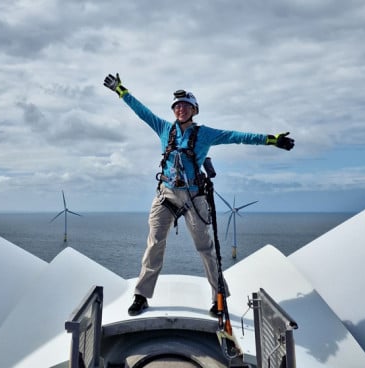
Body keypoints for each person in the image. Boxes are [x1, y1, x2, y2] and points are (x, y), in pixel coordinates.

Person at [103, 73, 295, 316]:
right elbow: (142, 112)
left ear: (194, 110)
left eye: (185, 106)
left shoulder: (205, 134)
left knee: (205, 249)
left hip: (194, 198)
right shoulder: (164, 128)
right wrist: (121, 90)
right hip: (166, 195)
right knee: (154, 244)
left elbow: (237, 137)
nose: (180, 109)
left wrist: (271, 140)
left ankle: (219, 298)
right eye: (177, 106)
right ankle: (141, 296)